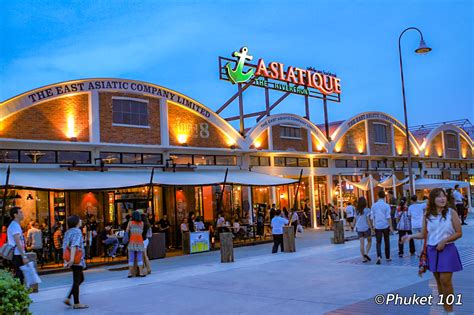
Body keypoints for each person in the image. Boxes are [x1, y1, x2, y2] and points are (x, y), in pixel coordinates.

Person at [403, 188, 463, 315]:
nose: (442, 199)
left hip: (448, 249)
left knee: (445, 281)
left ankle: (450, 311)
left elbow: (459, 233)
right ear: (432, 199)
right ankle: (445, 309)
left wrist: (444, 241)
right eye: (439, 197)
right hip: (432, 250)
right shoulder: (427, 215)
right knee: (439, 282)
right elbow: (424, 234)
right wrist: (411, 236)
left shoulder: (451, 213)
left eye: (444, 196)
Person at [62, 215, 88, 309]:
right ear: (76, 222)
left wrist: (66, 260)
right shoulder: (77, 231)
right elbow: (74, 245)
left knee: (80, 279)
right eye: (79, 219)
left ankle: (68, 297)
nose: (81, 220)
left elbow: (64, 246)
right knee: (77, 280)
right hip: (77, 259)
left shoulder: (67, 232)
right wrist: (72, 259)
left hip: (71, 259)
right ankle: (76, 303)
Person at [371, 190, 393, 265]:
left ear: (377, 196)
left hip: (377, 225)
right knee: (387, 241)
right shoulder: (386, 205)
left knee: (378, 242)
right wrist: (391, 226)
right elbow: (388, 217)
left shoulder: (374, 205)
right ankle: (388, 256)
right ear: (384, 197)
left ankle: (379, 257)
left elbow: (372, 217)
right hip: (385, 225)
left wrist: (372, 227)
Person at [7, 207, 28, 284]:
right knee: (19, 276)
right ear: (15, 215)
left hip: (18, 254)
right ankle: (19, 293)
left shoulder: (15, 225)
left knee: (20, 274)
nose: (22, 214)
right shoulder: (14, 225)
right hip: (17, 254)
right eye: (21, 212)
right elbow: (18, 242)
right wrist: (24, 256)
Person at [126, 211, 146, 277]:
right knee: (139, 257)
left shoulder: (130, 223)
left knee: (131, 258)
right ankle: (141, 272)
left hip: (132, 241)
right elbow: (141, 231)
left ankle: (130, 273)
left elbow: (127, 231)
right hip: (140, 241)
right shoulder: (142, 223)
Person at [354, 197, 372, 263]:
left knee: (361, 243)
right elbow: (368, 220)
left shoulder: (356, 210)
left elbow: (355, 219)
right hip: (366, 228)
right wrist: (371, 228)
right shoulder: (367, 210)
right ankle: (366, 253)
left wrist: (353, 226)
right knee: (369, 241)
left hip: (359, 228)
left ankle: (363, 258)